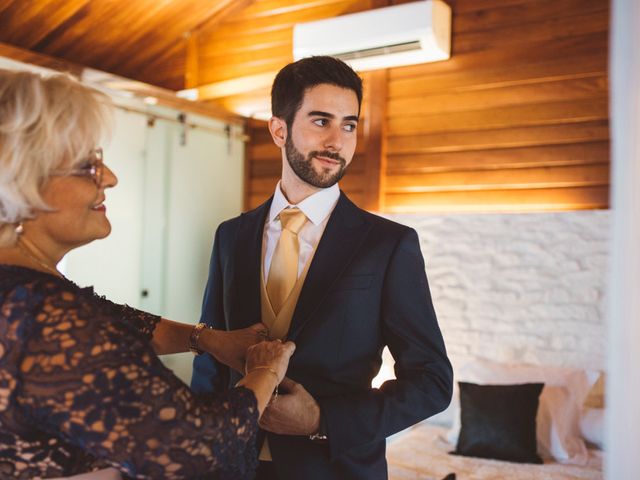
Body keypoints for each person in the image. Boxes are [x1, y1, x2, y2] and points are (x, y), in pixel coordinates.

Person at [0, 68, 296, 479]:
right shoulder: (42, 314)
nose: (109, 177)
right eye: (88, 164)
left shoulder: (20, 289)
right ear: (20, 182)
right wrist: (265, 372)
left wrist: (205, 338)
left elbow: (113, 323)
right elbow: (202, 447)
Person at [191, 56, 453, 479]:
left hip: (337, 468)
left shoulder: (389, 245)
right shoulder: (230, 236)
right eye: (321, 121)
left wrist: (322, 420)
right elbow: (211, 360)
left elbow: (432, 382)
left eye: (349, 125)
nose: (338, 141)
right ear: (279, 129)